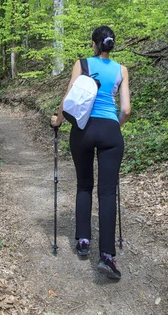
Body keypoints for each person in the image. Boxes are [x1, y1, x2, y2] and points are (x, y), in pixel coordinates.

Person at [51, 26, 131, 280]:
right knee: (108, 192)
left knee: (84, 185)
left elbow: (69, 99)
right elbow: (126, 109)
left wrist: (58, 121)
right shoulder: (122, 70)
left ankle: (83, 240)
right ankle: (107, 255)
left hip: (84, 130)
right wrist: (113, 128)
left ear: (94, 44)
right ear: (111, 44)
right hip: (110, 130)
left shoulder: (82, 63)